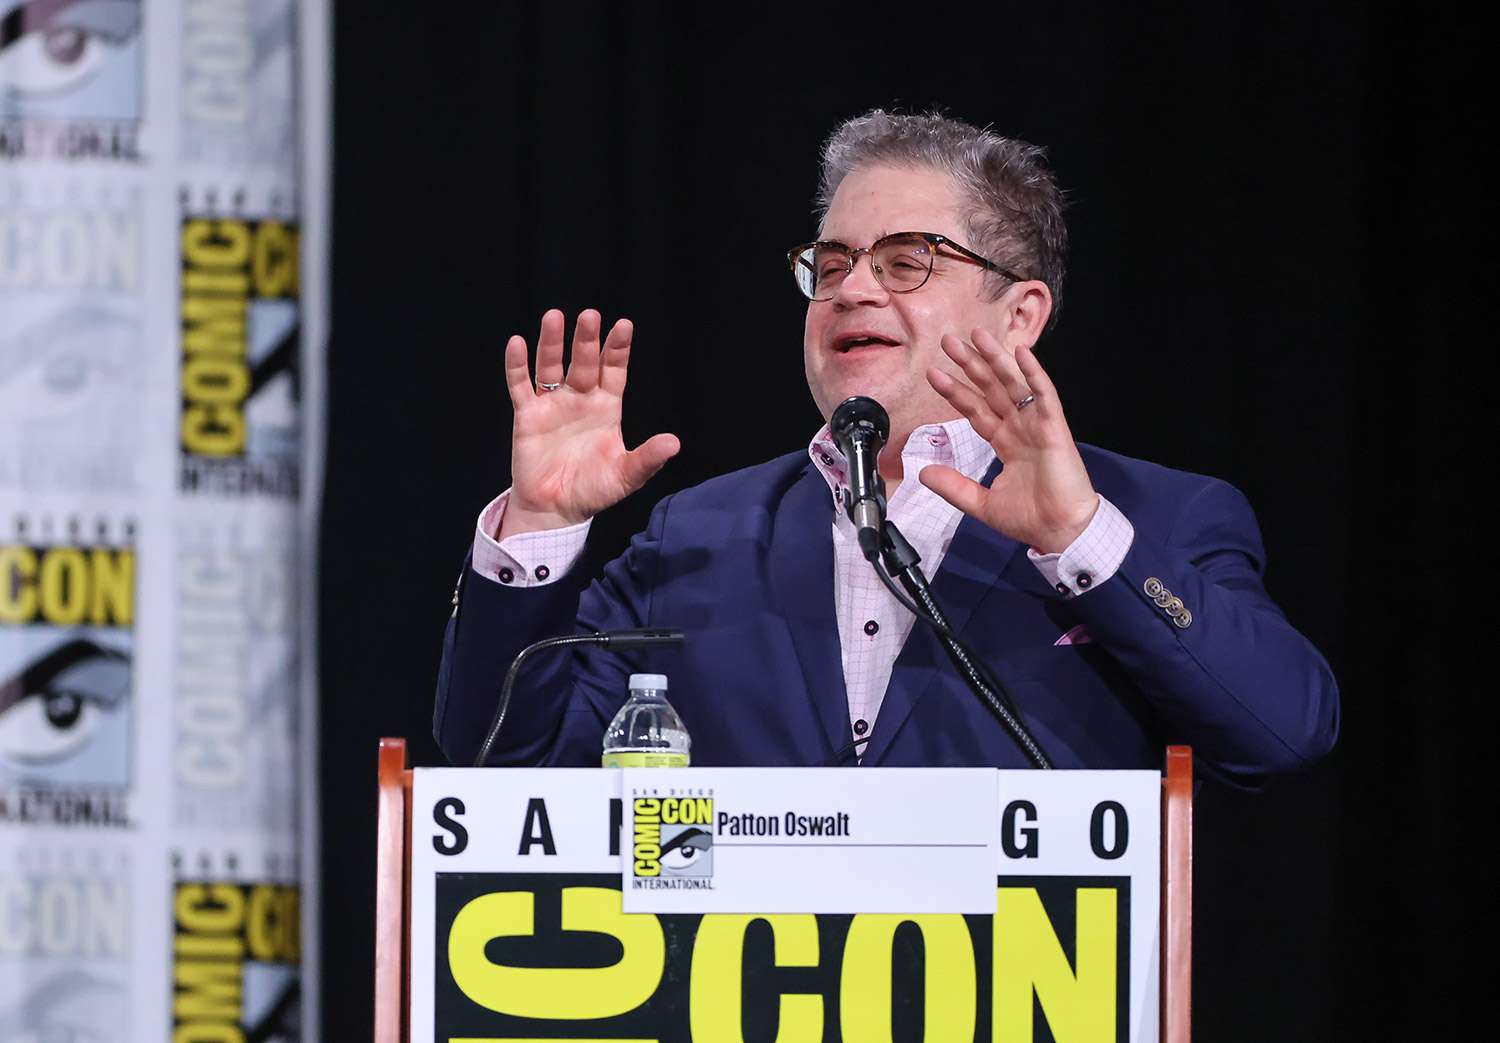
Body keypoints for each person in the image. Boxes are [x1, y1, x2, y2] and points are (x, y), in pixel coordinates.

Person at [433, 109, 1338, 786]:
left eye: (907, 261)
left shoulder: (1156, 518)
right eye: (830, 264)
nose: (852, 288)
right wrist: (542, 524)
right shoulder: (696, 533)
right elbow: (501, 764)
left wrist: (1077, 537)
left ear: (1019, 313)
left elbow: (1283, 735)